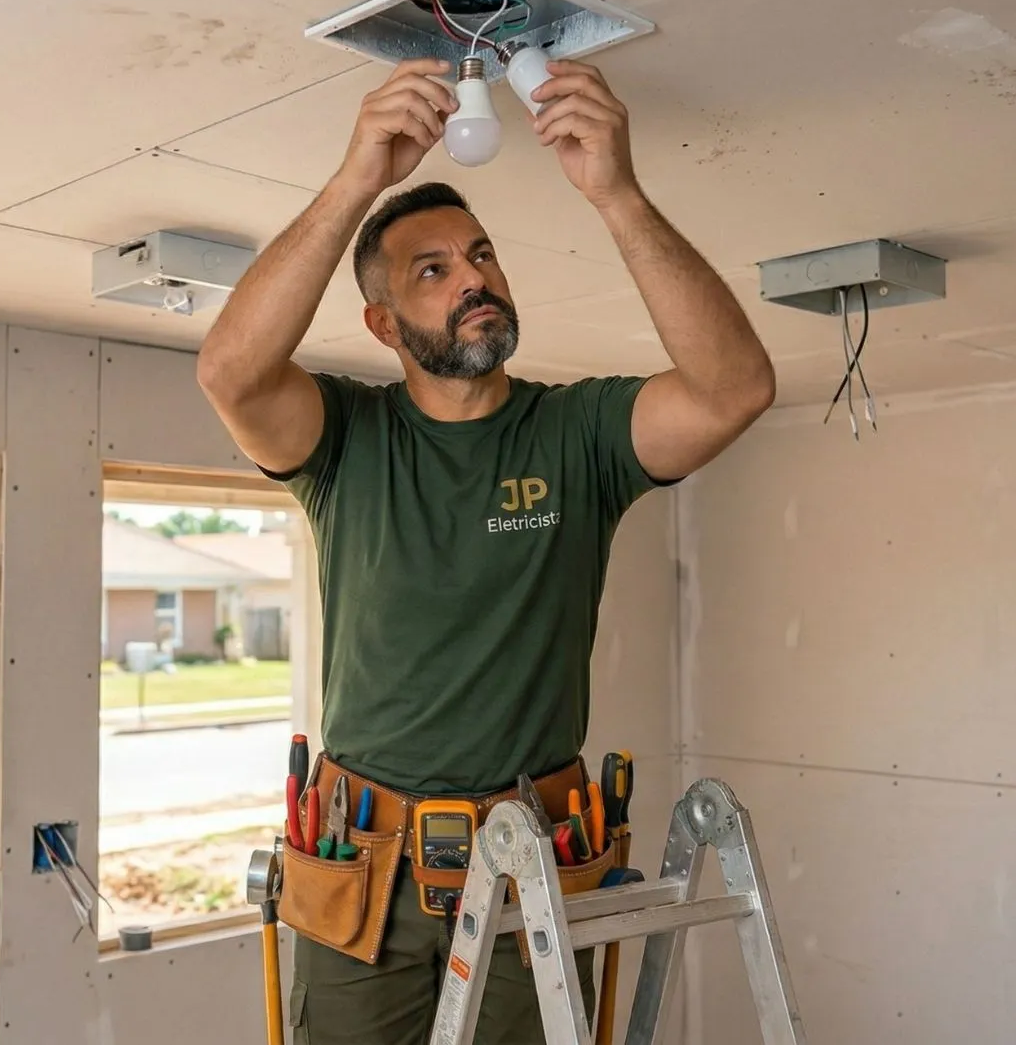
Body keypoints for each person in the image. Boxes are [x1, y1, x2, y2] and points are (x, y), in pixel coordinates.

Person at [196, 56, 776, 1045]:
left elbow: (733, 391)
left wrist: (618, 194)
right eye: (434, 270)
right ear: (382, 323)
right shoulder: (346, 439)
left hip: (529, 869)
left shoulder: (578, 435)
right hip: (363, 871)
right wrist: (354, 181)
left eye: (482, 255)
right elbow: (232, 374)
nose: (474, 277)